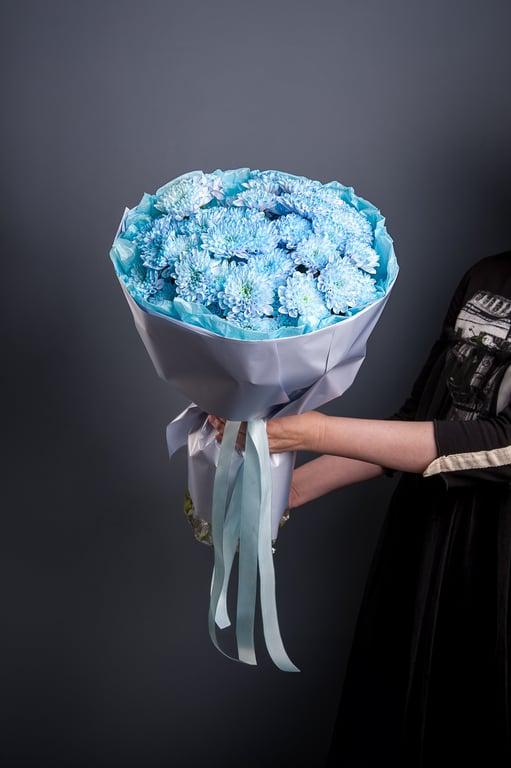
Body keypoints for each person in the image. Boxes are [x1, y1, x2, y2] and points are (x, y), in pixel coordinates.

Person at [208, 249, 511, 767]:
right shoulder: (486, 274)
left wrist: (315, 432)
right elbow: (417, 420)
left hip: (495, 561)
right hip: (422, 538)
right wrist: (289, 490)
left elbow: (503, 444)